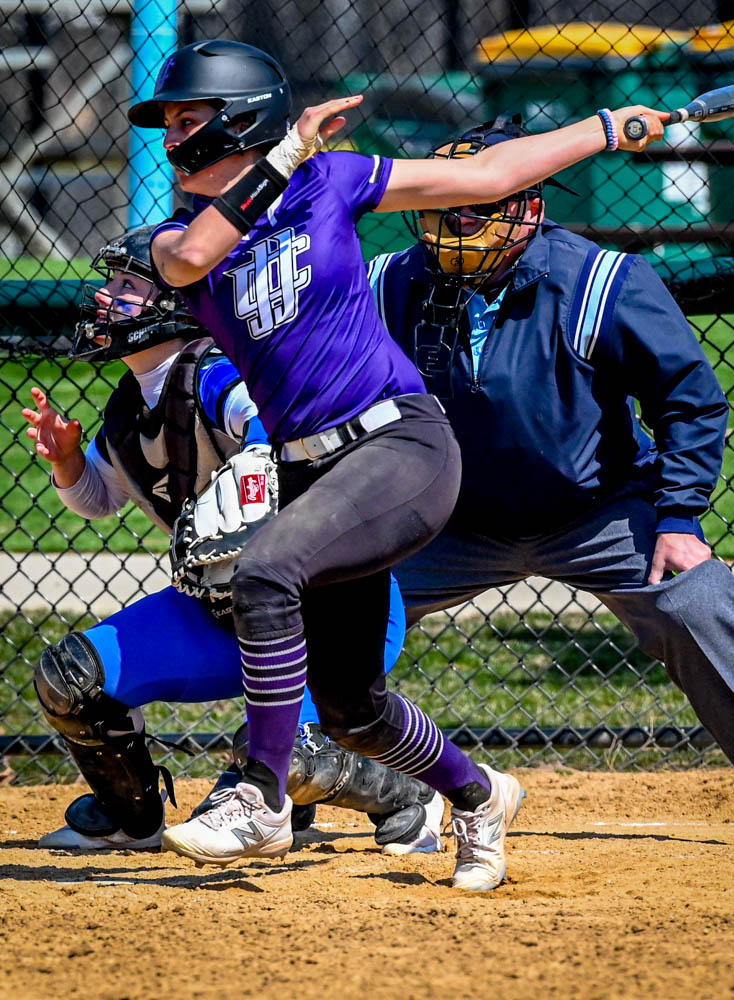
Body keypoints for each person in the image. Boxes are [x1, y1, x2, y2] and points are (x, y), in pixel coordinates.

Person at [129, 37, 665, 889]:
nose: (171, 136)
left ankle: (262, 797)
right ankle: (482, 795)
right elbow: (193, 260)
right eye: (169, 120)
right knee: (350, 707)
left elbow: (486, 179)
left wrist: (602, 126)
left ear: (238, 122)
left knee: (265, 573)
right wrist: (288, 150)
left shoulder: (328, 183)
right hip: (311, 469)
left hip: (399, 443)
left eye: (189, 118)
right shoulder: (171, 239)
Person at [365, 113, 734, 846]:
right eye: (437, 212)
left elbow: (690, 400)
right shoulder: (394, 283)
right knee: (314, 598)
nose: (451, 229)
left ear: (529, 204)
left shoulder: (601, 280)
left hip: (597, 512)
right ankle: (290, 780)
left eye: (474, 210)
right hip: (450, 518)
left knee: (697, 598)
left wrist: (681, 519)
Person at [23, 226, 445, 856]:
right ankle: (130, 818)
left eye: (128, 285)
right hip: (217, 613)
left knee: (284, 761)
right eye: (110, 282)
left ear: (178, 302)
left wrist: (254, 464)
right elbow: (100, 500)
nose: (107, 296)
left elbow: (269, 422)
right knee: (69, 681)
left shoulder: (217, 372)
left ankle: (407, 791)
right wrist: (66, 464)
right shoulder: (127, 408)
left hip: (323, 615)